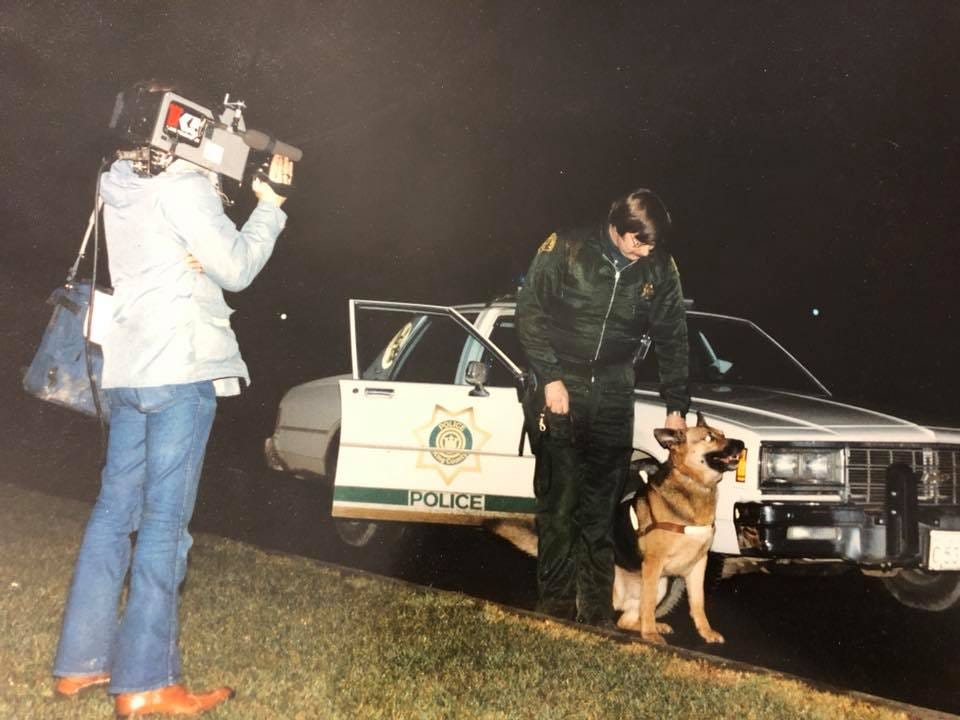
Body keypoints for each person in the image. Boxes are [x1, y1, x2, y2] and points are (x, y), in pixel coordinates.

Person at [51, 83, 293, 717]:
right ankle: (146, 681)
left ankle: (81, 663)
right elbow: (237, 267)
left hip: (127, 368)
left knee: (113, 513)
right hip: (180, 367)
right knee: (163, 526)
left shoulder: (118, 180)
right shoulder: (181, 188)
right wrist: (269, 205)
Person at [516, 187, 690, 627]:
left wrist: (676, 404)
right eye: (638, 242)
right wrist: (551, 377)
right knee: (559, 507)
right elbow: (530, 312)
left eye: (652, 244)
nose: (645, 252)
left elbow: (672, 335)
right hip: (562, 383)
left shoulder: (659, 267)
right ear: (616, 227)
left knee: (601, 510)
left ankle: (596, 619)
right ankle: (553, 613)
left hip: (615, 388)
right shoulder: (567, 248)